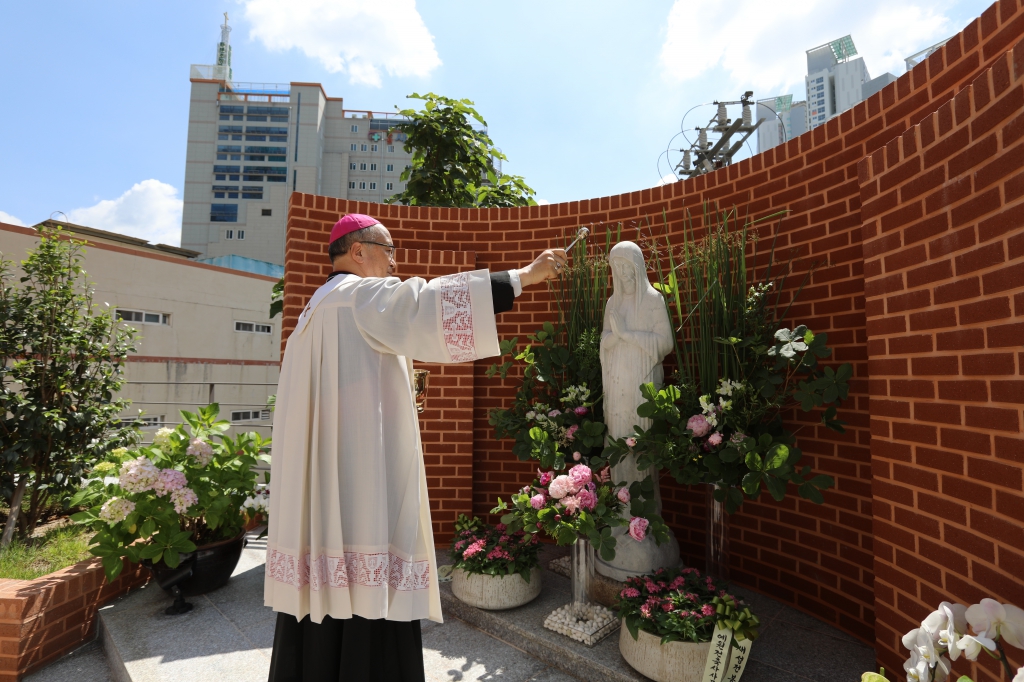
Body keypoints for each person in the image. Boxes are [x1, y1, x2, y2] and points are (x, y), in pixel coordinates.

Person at [265, 213, 566, 681]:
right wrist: (526, 276)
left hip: (325, 483)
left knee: (323, 596)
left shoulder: (314, 307)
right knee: (370, 582)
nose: (394, 261)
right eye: (387, 249)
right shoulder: (358, 295)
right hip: (359, 479)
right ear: (357, 250)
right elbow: (429, 302)